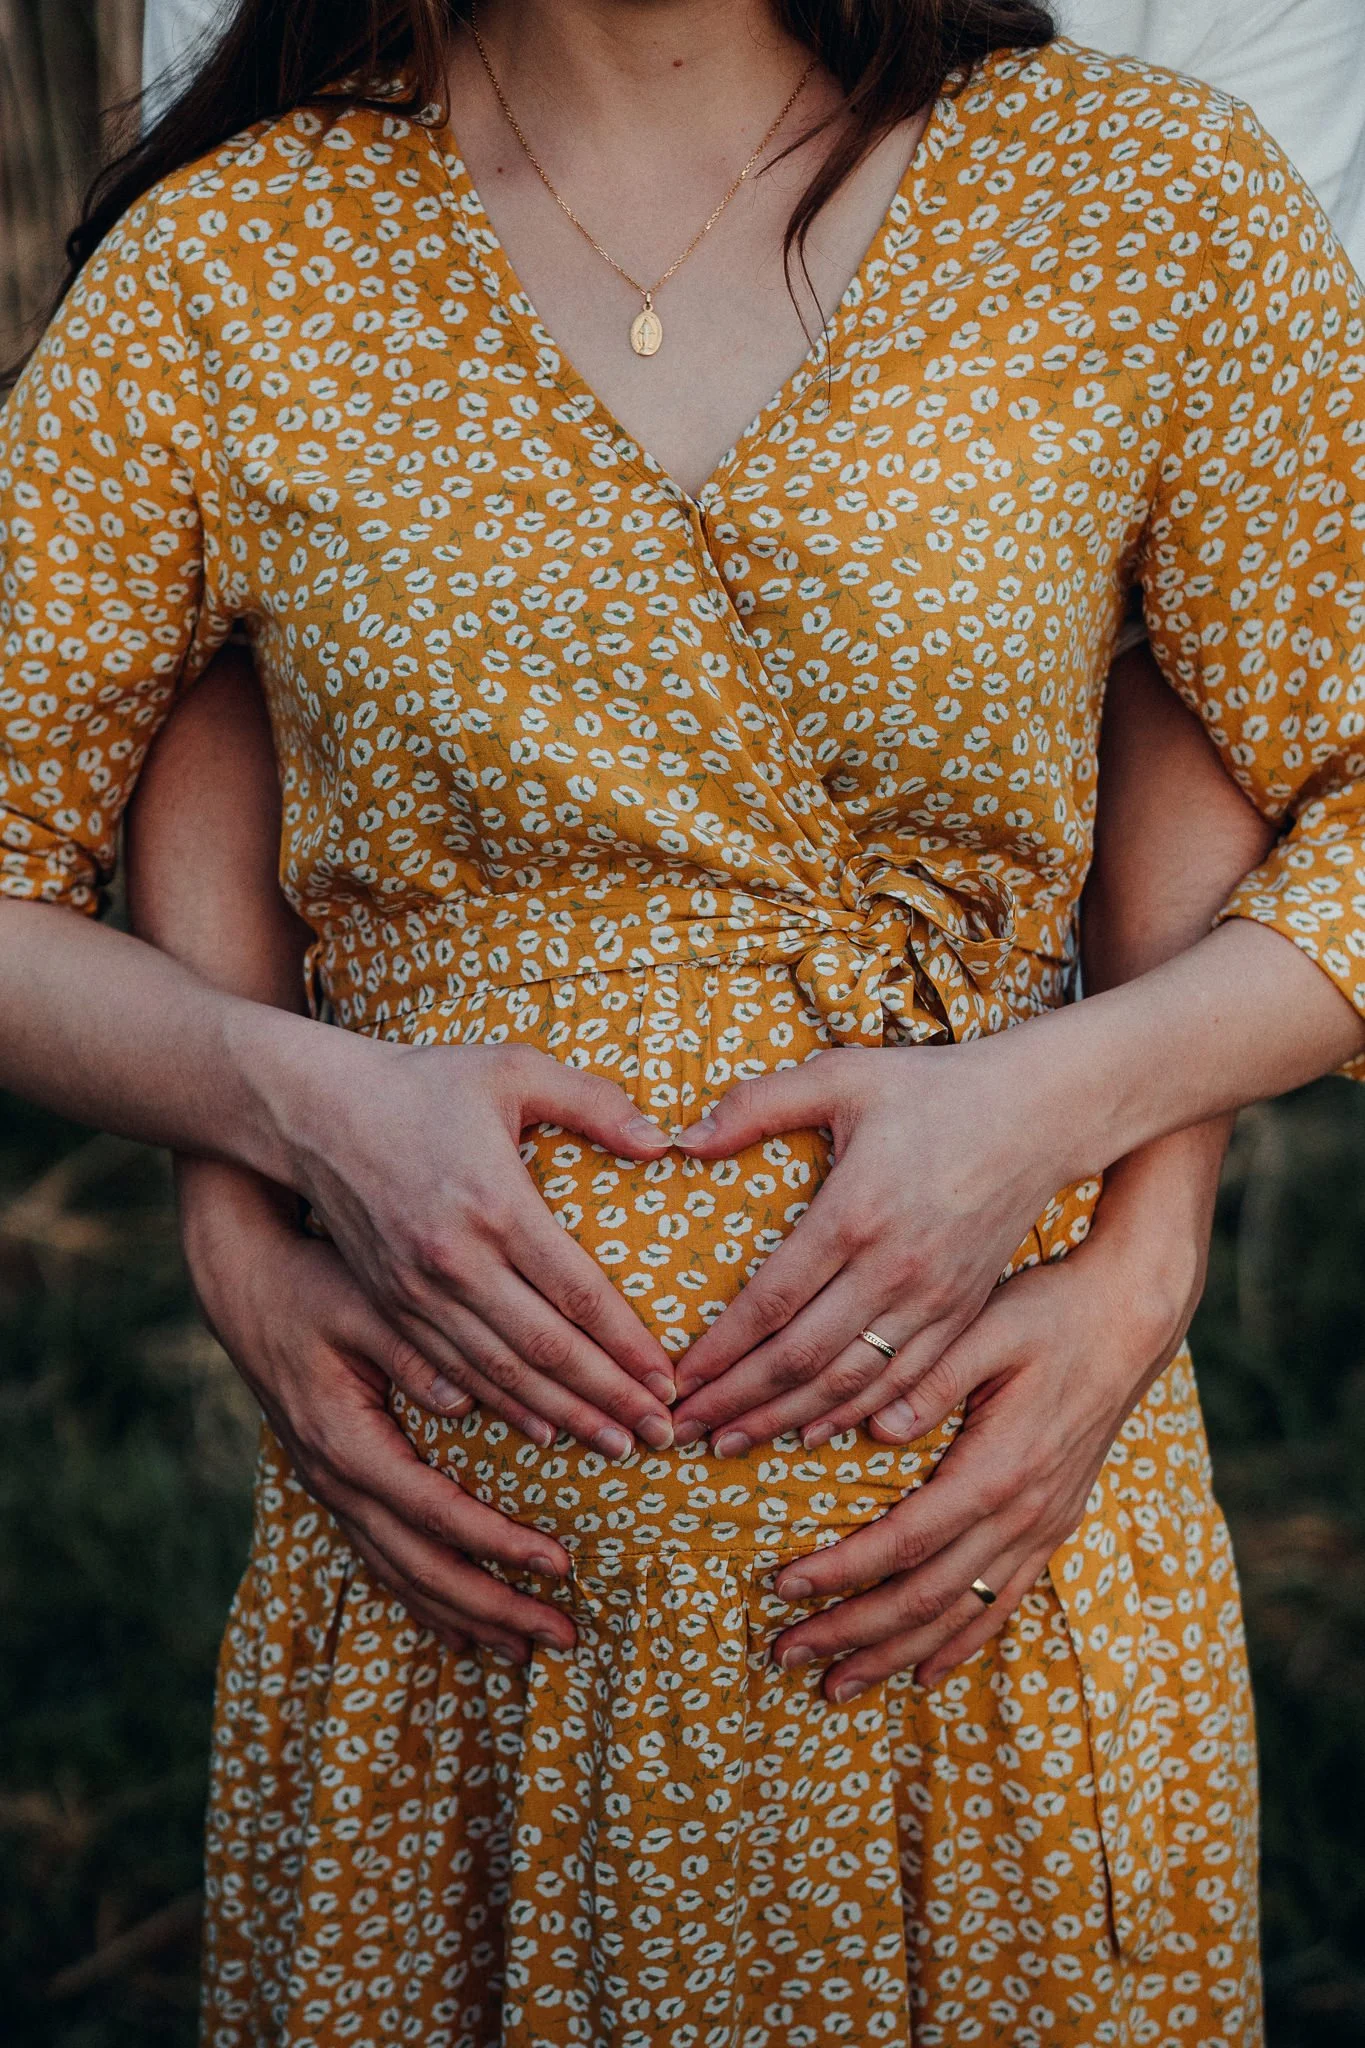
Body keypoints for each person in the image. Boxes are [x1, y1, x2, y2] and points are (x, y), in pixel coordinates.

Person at [3, 2, 1364, 2042]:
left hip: (984, 1582)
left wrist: (1065, 1126)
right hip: (447, 1659)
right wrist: (287, 1117)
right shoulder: (238, 261)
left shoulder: (1139, 198)